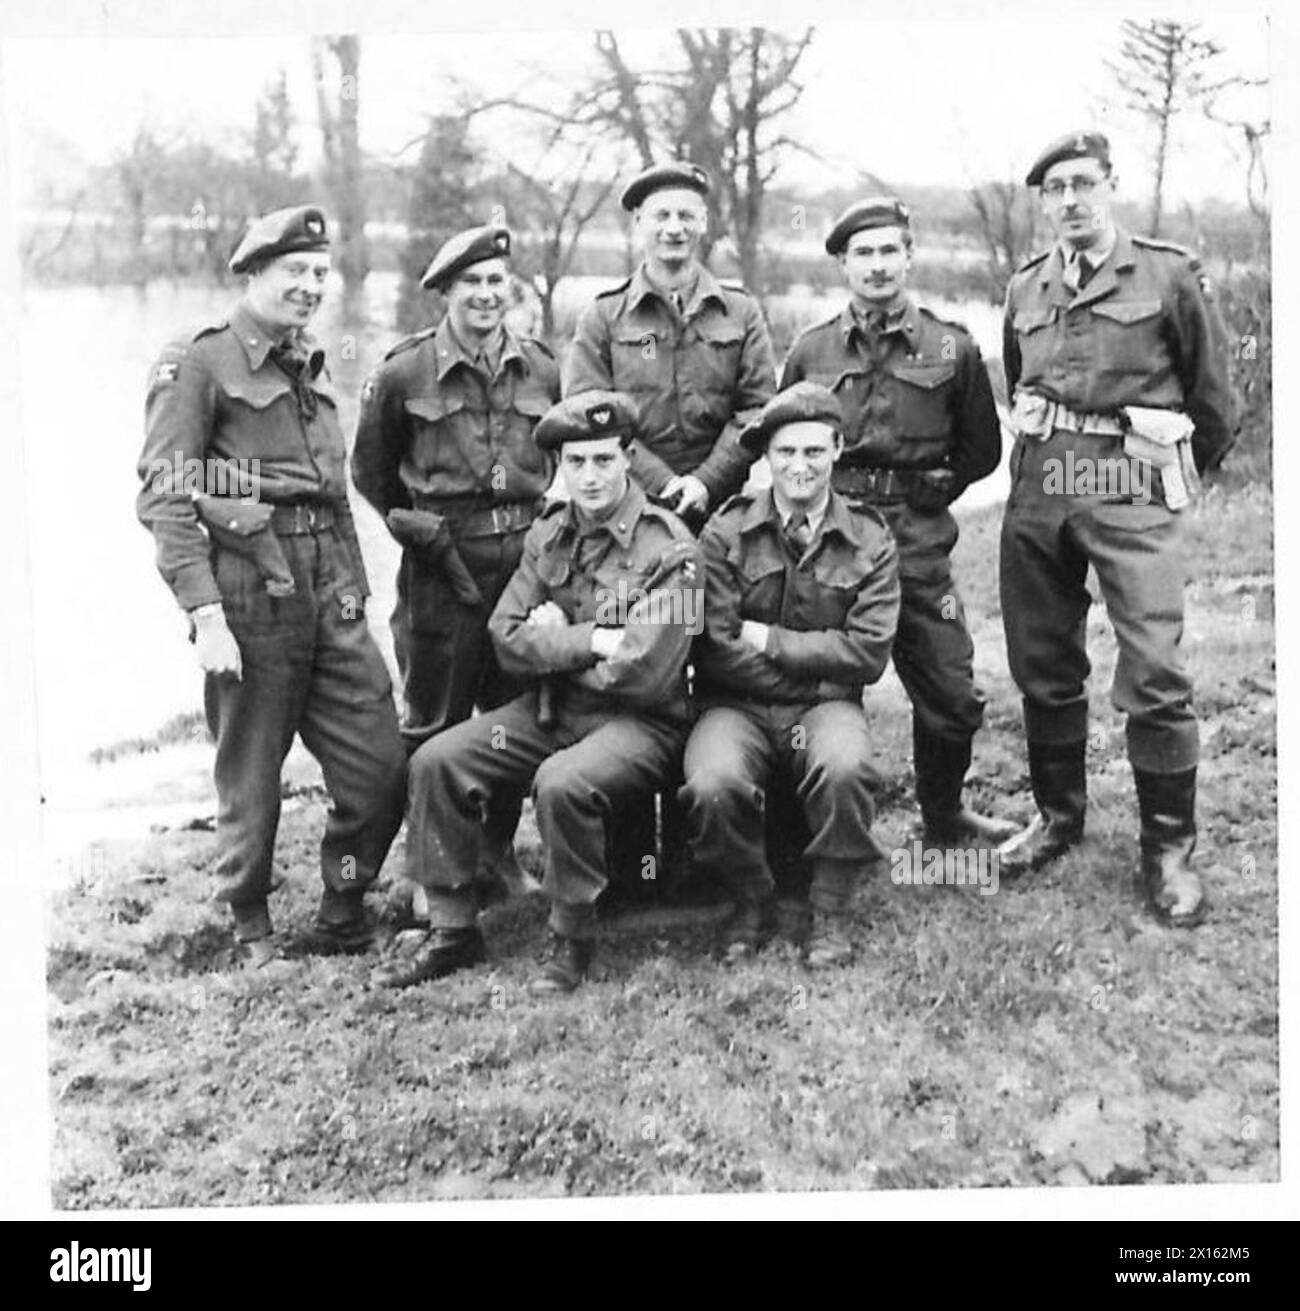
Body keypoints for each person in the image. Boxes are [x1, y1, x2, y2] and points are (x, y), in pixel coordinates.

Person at [136, 205, 407, 967]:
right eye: (295, 271)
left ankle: (343, 901)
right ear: (252, 273)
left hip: (328, 585)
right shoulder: (199, 362)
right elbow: (165, 491)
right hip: (252, 586)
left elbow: (331, 494)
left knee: (382, 762)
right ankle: (247, 924)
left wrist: (353, 591)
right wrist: (206, 615)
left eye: (321, 273)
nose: (312, 286)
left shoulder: (309, 367)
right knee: (251, 766)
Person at [373, 391, 703, 995]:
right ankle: (451, 929)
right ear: (558, 468)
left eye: (604, 460)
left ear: (629, 457)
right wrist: (595, 641)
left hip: (640, 725)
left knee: (562, 782)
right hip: (555, 711)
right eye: (575, 463)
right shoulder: (549, 534)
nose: (590, 476)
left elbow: (645, 669)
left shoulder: (670, 545)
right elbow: (505, 636)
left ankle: (572, 936)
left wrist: (559, 646)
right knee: (439, 759)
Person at [999, 130, 1235, 926]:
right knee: (1040, 654)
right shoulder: (1026, 286)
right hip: (1043, 483)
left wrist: (1164, 473)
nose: (1069, 200)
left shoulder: (1165, 275)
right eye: (1054, 189)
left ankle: (1167, 850)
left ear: (1110, 185)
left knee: (1154, 663)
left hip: (1130, 481)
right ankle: (1058, 817)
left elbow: (1213, 403)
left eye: (1082, 183)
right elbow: (1017, 378)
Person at [781, 197, 1015, 848]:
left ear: (909, 257)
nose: (878, 266)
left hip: (916, 541)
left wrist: (936, 490)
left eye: (890, 251)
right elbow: (787, 443)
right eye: (864, 253)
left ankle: (943, 816)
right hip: (831, 540)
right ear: (842, 265)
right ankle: (823, 829)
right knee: (823, 691)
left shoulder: (953, 345)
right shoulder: (810, 350)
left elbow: (982, 450)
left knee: (952, 690)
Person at [352, 224, 560, 902]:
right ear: (445, 291)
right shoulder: (403, 371)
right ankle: (431, 872)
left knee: (512, 714)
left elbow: (559, 455)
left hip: (524, 563)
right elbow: (372, 473)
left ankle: (496, 852)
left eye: (497, 281)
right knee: (434, 720)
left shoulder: (542, 366)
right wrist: (417, 528)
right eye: (471, 282)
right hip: (442, 566)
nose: (485, 294)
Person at [681, 383, 901, 967]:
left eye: (812, 452)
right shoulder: (725, 533)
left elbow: (869, 654)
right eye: (784, 453)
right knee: (712, 781)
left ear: (837, 448)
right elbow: (716, 647)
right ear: (765, 459)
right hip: (737, 706)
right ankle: (750, 898)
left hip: (823, 710)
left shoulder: (871, 539)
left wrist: (771, 641)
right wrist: (814, 670)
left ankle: (829, 908)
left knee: (846, 766)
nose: (799, 467)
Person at [564, 162, 776, 527]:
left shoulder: (741, 312)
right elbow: (592, 417)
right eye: (661, 215)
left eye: (686, 216)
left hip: (722, 511)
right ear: (638, 223)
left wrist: (705, 482)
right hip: (627, 510)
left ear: (704, 223)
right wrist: (663, 482)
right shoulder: (603, 316)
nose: (674, 228)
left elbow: (756, 410)